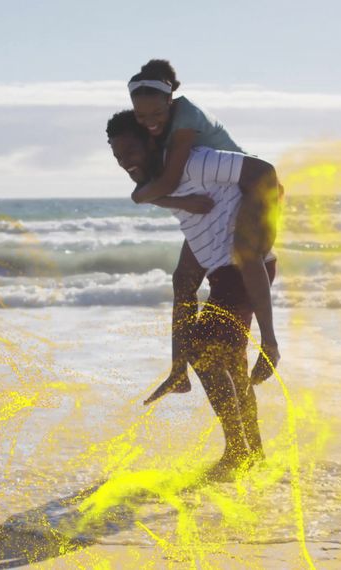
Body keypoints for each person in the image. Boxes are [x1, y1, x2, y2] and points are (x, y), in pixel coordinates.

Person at [107, 110, 279, 477]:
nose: (126, 163)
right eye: (118, 157)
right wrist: (176, 364)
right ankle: (254, 453)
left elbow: (261, 171)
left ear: (152, 142)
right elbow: (183, 281)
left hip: (243, 272)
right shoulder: (158, 179)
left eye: (131, 153)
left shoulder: (196, 162)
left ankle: (238, 452)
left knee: (205, 349)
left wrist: (271, 341)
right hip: (224, 272)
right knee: (227, 357)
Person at [127, 59, 282, 391]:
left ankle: (270, 346)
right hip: (232, 191)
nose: (150, 122)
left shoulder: (184, 123)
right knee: (183, 279)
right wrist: (177, 202)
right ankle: (178, 371)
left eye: (156, 114)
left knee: (246, 253)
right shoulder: (159, 130)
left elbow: (167, 180)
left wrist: (144, 197)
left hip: (256, 188)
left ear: (170, 102)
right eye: (141, 117)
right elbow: (166, 186)